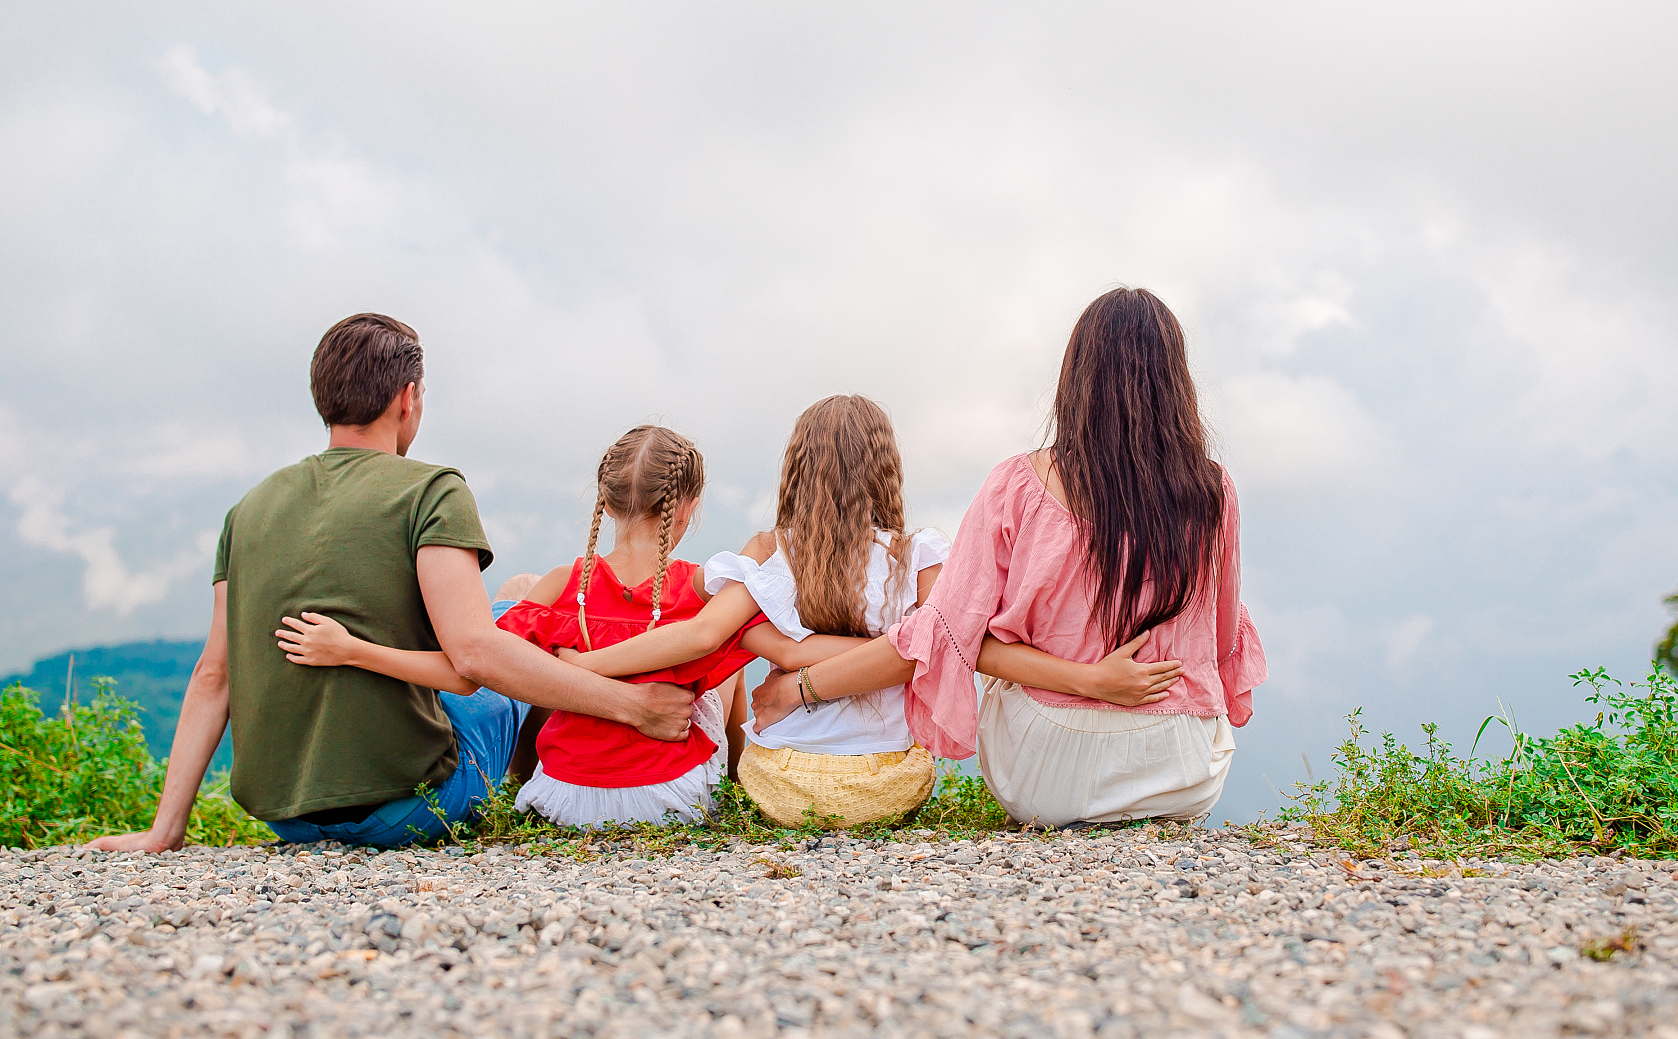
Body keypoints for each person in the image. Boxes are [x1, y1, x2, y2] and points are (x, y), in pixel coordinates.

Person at [88, 314, 694, 853]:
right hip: (410, 805)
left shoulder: (246, 510)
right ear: (407, 398)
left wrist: (165, 830)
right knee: (518, 618)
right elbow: (477, 654)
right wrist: (632, 705)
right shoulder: (430, 490)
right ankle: (549, 800)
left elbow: (212, 674)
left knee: (516, 599)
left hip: (287, 818)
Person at [751, 288, 1265, 827]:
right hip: (1180, 777)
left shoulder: (1018, 485)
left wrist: (798, 687)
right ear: (1177, 382)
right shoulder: (1214, 491)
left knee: (993, 637)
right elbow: (1222, 638)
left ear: (1077, 376)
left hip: (1048, 782)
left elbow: (949, 634)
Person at [559, 393, 1181, 827]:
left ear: (795, 471)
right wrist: (892, 647)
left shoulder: (772, 554)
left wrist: (590, 665)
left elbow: (698, 637)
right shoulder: (922, 556)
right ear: (887, 468)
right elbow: (943, 645)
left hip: (780, 781)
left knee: (725, 679)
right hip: (887, 785)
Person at [280, 424, 766, 828]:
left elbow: (466, 672)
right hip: (670, 803)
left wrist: (352, 649)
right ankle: (738, 791)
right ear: (688, 507)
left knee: (532, 666)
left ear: (606, 500)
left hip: (564, 801)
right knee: (727, 663)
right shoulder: (699, 587)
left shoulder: (562, 585)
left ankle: (521, 780)